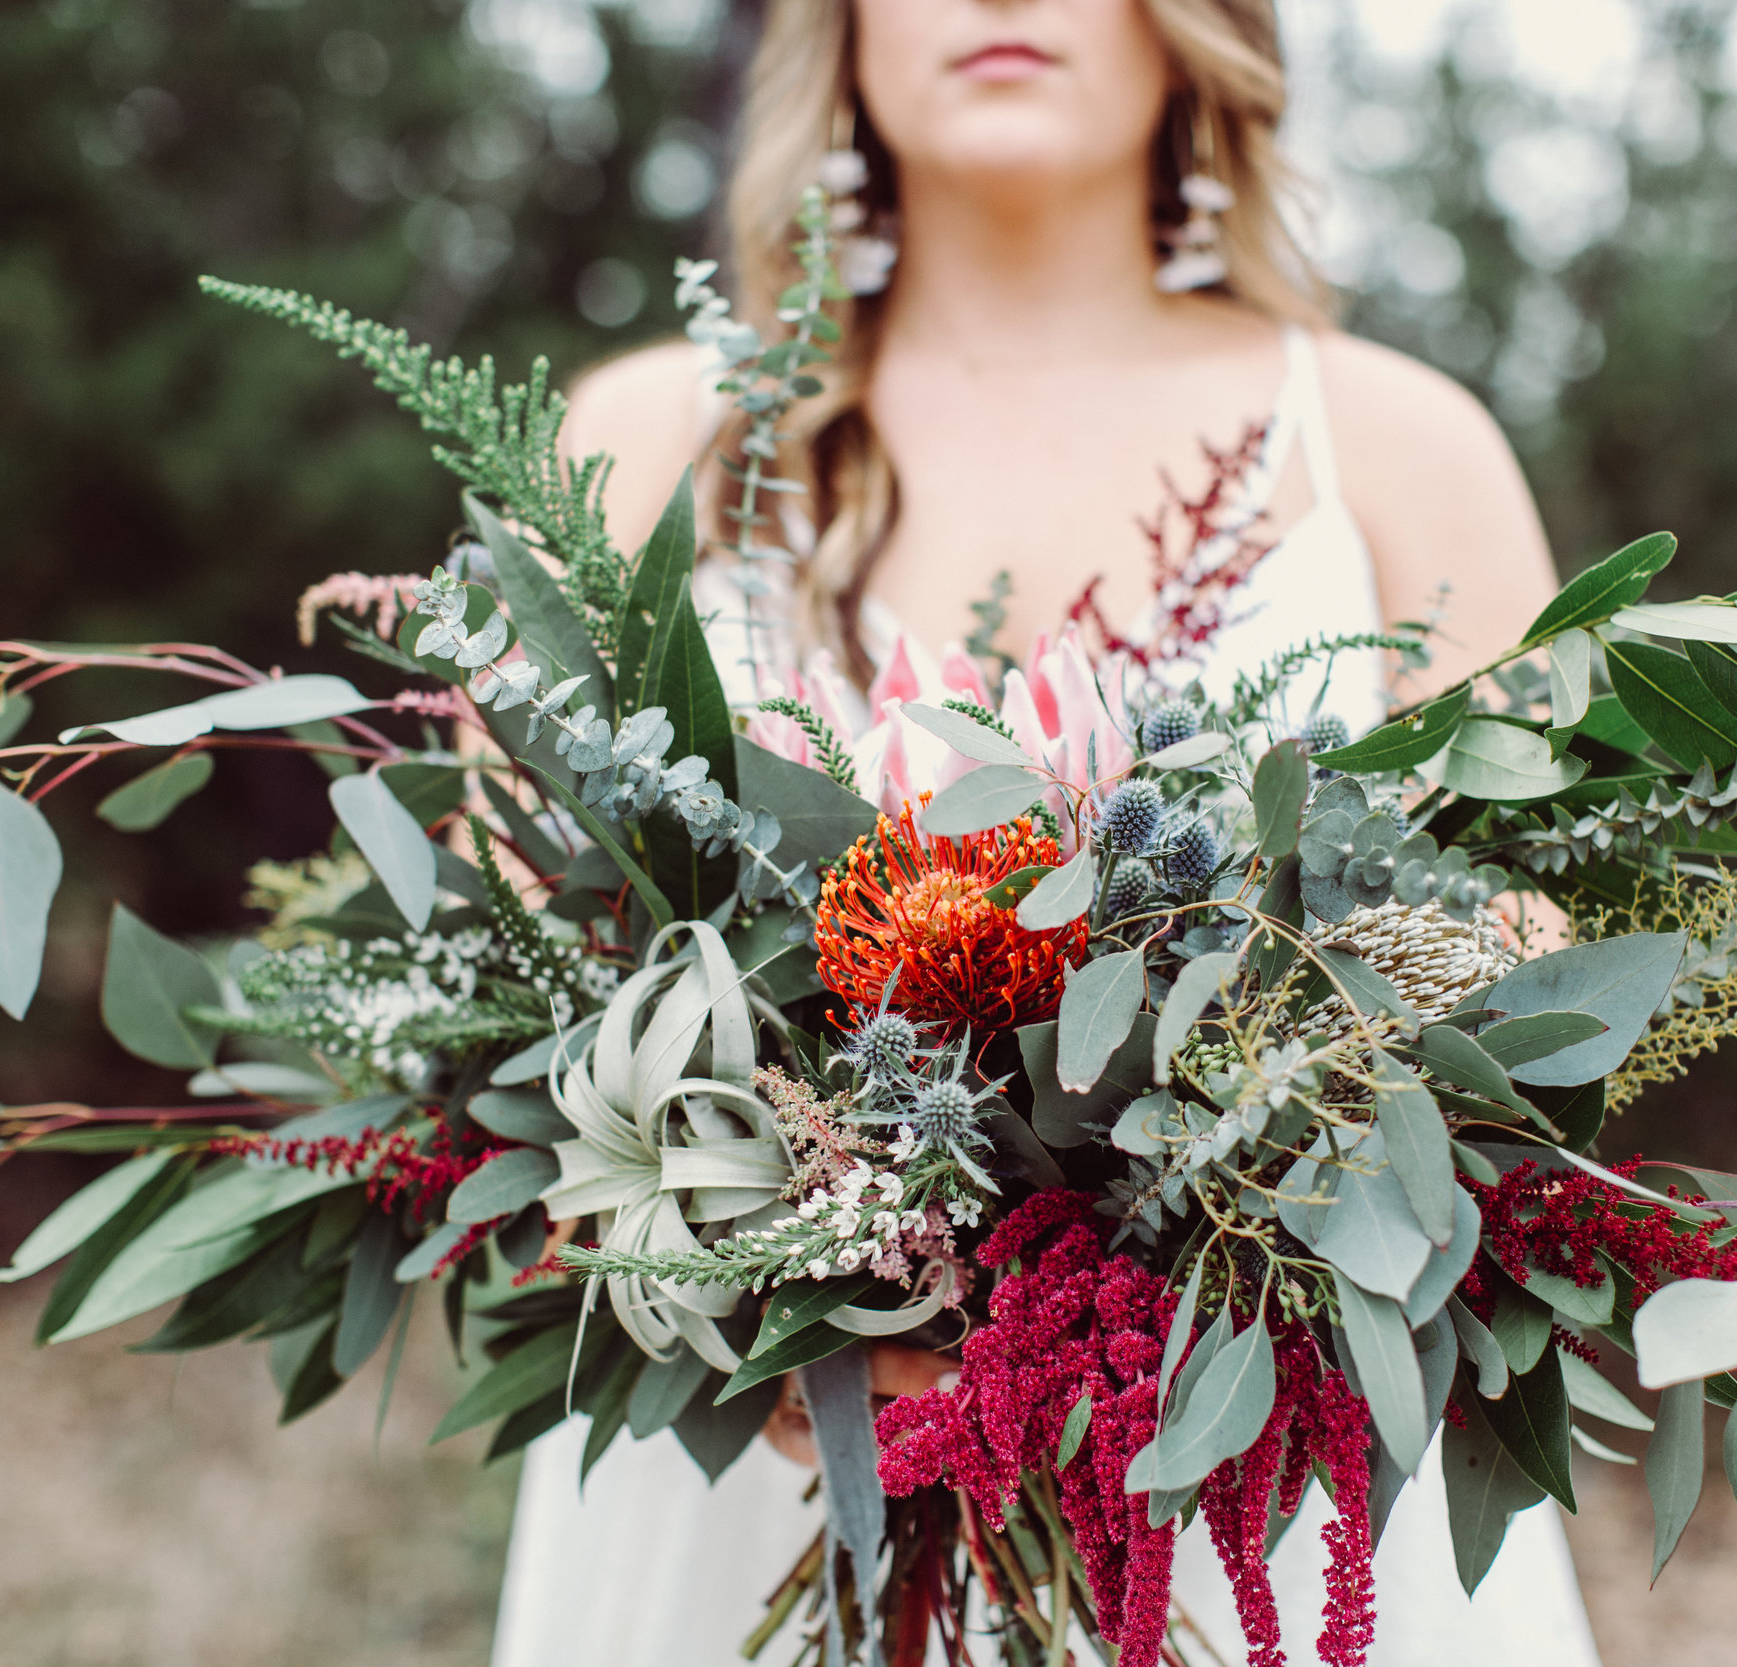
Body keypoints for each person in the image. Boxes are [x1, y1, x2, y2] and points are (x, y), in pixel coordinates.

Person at [490, 2, 1599, 1662]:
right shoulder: (644, 439)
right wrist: (754, 1301)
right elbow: (513, 986)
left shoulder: (1396, 447)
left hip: (1256, 1485)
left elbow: (1533, 961)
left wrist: (1220, 1235)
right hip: (734, 1484)